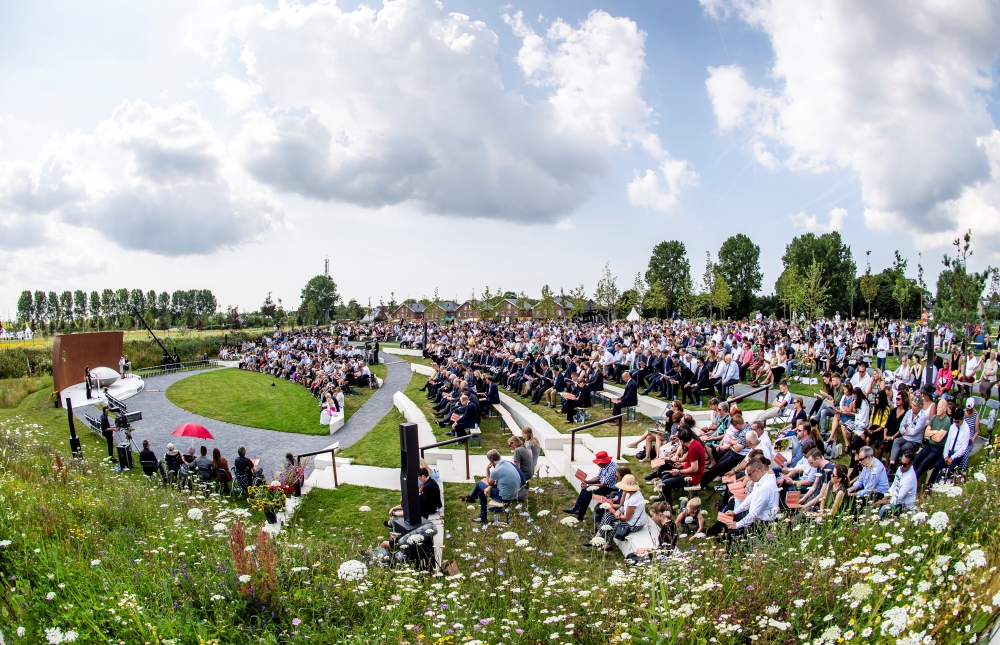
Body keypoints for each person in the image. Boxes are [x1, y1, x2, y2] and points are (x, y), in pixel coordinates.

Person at [717, 458, 779, 539]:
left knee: (732, 532)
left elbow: (754, 514)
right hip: (756, 516)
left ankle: (732, 547)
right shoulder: (760, 479)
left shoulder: (766, 487)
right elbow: (750, 497)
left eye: (749, 474)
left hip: (763, 522)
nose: (749, 477)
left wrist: (737, 525)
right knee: (729, 517)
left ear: (757, 471)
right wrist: (735, 511)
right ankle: (721, 535)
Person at [459, 449, 520, 523]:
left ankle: (471, 498)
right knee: (481, 492)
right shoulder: (508, 463)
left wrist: (487, 469)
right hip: (515, 493)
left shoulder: (496, 471)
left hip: (505, 497)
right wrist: (489, 487)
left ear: (491, 461)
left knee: (479, 484)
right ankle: (482, 516)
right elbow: (500, 481)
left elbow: (489, 483)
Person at [654, 426, 706, 506]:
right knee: (665, 477)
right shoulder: (695, 442)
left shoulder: (693, 449)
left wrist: (679, 471)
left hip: (692, 478)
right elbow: (692, 463)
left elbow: (694, 469)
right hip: (688, 473)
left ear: (681, 441)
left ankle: (669, 507)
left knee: (665, 483)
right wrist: (681, 464)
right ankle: (664, 497)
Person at [562, 450, 618, 522]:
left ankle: (578, 511)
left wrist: (588, 485)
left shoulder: (612, 469)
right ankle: (577, 509)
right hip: (603, 483)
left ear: (603, 462)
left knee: (588, 491)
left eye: (598, 463)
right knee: (586, 490)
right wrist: (587, 481)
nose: (597, 464)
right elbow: (598, 477)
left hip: (609, 487)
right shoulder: (604, 466)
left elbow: (602, 485)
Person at [928, 407, 971, 485]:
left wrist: (952, 458)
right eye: (955, 422)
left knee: (950, 470)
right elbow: (948, 442)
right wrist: (946, 456)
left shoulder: (966, 429)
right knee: (937, 466)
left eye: (958, 422)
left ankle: (944, 485)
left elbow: (963, 448)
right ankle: (929, 485)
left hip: (957, 454)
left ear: (962, 419)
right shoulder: (952, 427)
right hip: (949, 451)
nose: (956, 424)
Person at [877, 451, 917, 517]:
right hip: (896, 500)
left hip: (904, 505)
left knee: (884, 509)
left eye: (904, 465)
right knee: (876, 504)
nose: (901, 466)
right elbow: (894, 486)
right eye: (900, 463)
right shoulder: (900, 469)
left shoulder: (910, 478)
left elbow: (898, 498)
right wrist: (884, 499)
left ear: (911, 464)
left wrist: (884, 502)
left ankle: (876, 523)